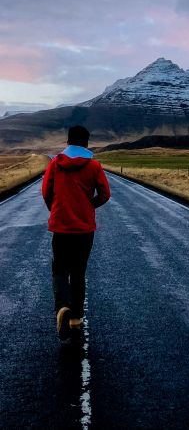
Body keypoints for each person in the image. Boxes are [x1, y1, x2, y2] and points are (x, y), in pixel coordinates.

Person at [42, 125, 110, 340]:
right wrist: (89, 206)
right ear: (86, 143)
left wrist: (56, 209)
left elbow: (46, 192)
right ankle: (76, 319)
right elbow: (105, 194)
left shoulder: (55, 164)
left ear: (68, 142)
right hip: (84, 228)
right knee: (79, 272)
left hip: (61, 227)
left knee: (60, 270)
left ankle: (62, 307)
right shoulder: (94, 166)